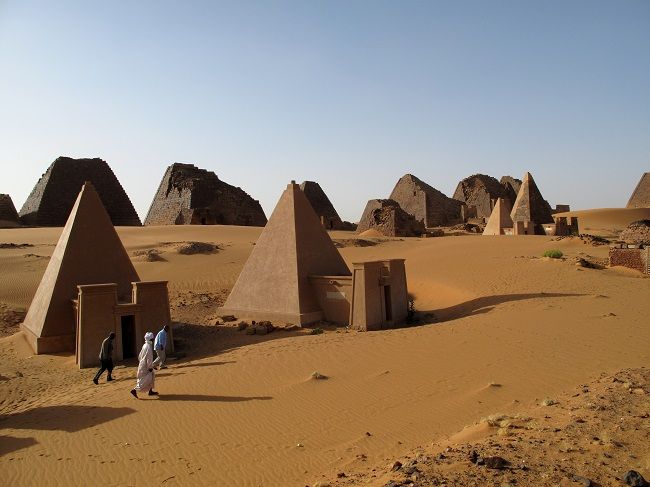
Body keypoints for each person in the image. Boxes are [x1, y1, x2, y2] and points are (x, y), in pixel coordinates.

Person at [130, 332, 159, 398]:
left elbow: (140, 356)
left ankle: (150, 391)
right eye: (152, 338)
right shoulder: (148, 347)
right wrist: (150, 367)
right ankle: (134, 390)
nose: (153, 339)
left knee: (151, 376)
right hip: (146, 366)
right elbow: (149, 358)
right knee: (145, 379)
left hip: (143, 364)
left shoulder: (145, 345)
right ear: (150, 339)